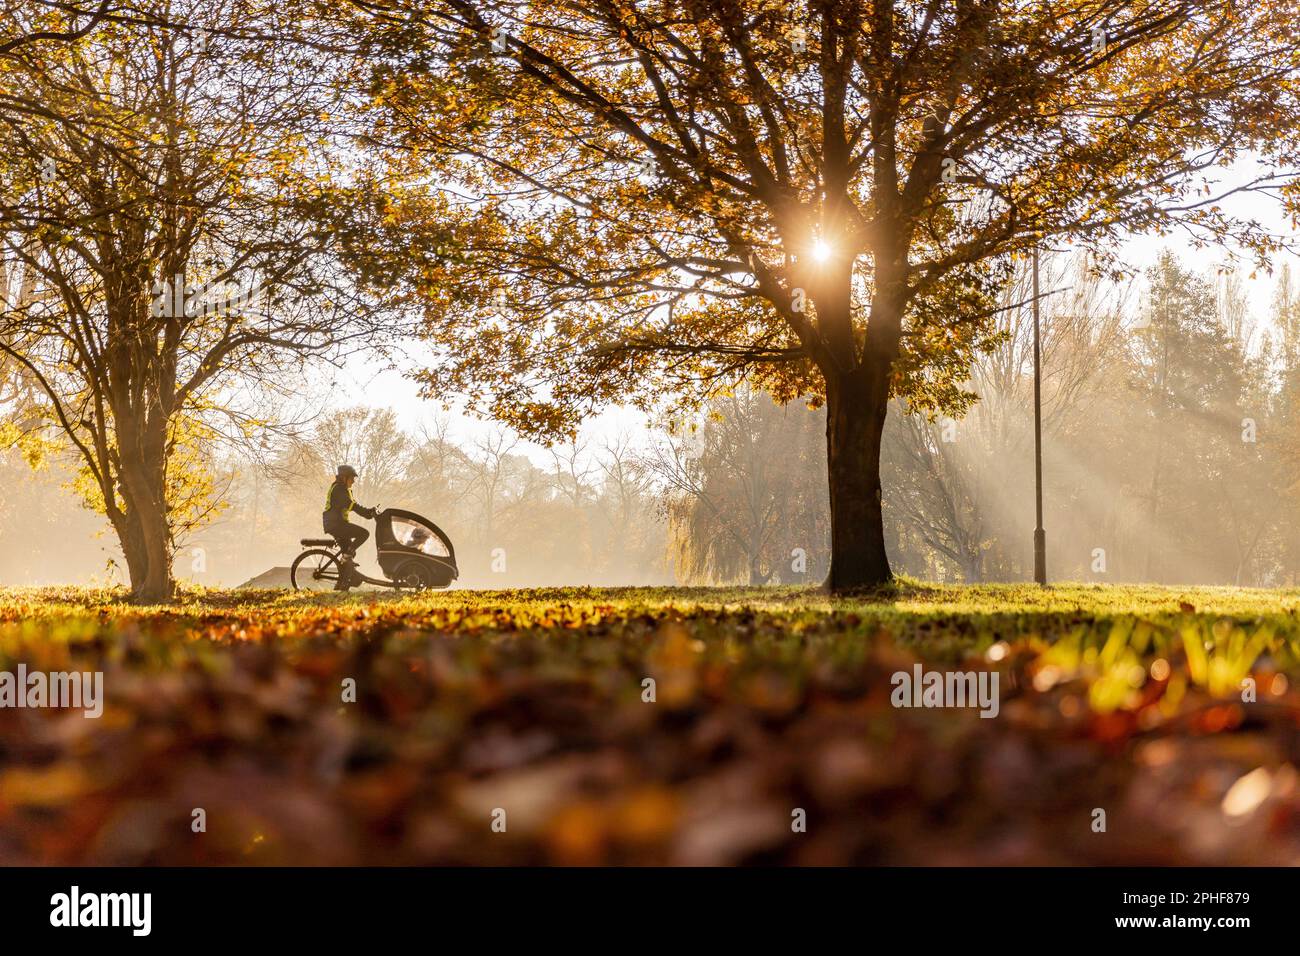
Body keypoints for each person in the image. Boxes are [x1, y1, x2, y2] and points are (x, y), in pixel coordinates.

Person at [322, 465, 376, 586]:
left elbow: (353, 504)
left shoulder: (342, 489)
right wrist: (367, 513)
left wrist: (368, 511)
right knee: (364, 533)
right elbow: (351, 505)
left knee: (350, 553)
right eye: (352, 478)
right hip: (336, 525)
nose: (354, 481)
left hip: (337, 524)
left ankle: (342, 584)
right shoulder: (338, 489)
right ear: (344, 478)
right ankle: (346, 558)